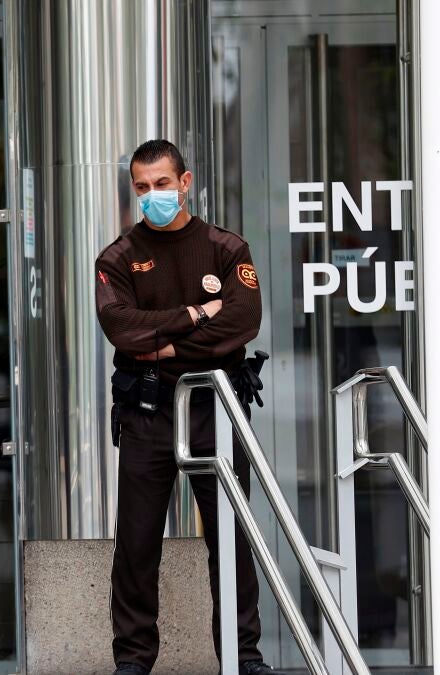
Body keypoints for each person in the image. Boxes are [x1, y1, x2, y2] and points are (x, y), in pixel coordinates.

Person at [95, 140, 280, 675]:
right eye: (142, 187)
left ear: (185, 182)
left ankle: (243, 657)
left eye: (162, 183)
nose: (152, 195)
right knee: (136, 541)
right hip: (147, 408)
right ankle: (133, 660)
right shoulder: (118, 257)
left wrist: (168, 343)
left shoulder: (226, 248)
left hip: (215, 405)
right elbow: (122, 330)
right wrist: (198, 313)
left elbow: (242, 322)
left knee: (231, 536)